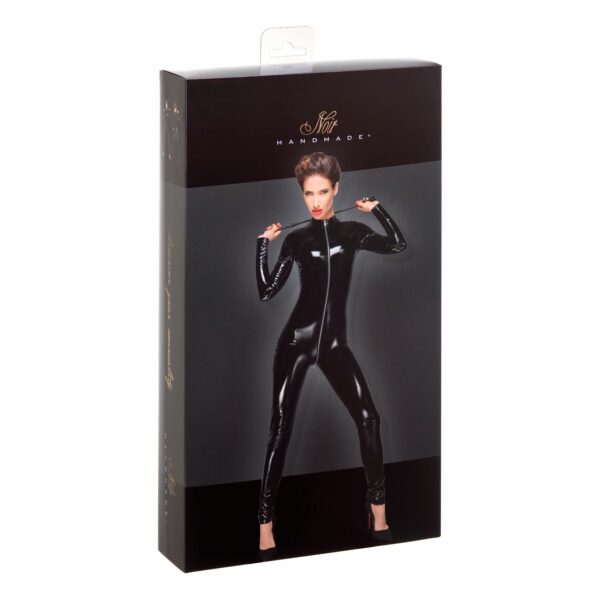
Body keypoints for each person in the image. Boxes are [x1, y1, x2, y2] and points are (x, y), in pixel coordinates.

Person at [255, 152, 407, 559]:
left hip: (334, 344)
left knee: (368, 418)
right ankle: (265, 523)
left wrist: (379, 211)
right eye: (309, 194)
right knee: (280, 428)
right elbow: (266, 291)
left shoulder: (353, 232)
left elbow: (397, 244)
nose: (316, 201)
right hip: (296, 342)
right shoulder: (296, 239)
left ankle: (378, 511)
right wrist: (262, 246)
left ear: (336, 189)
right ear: (302, 195)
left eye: (323, 192)